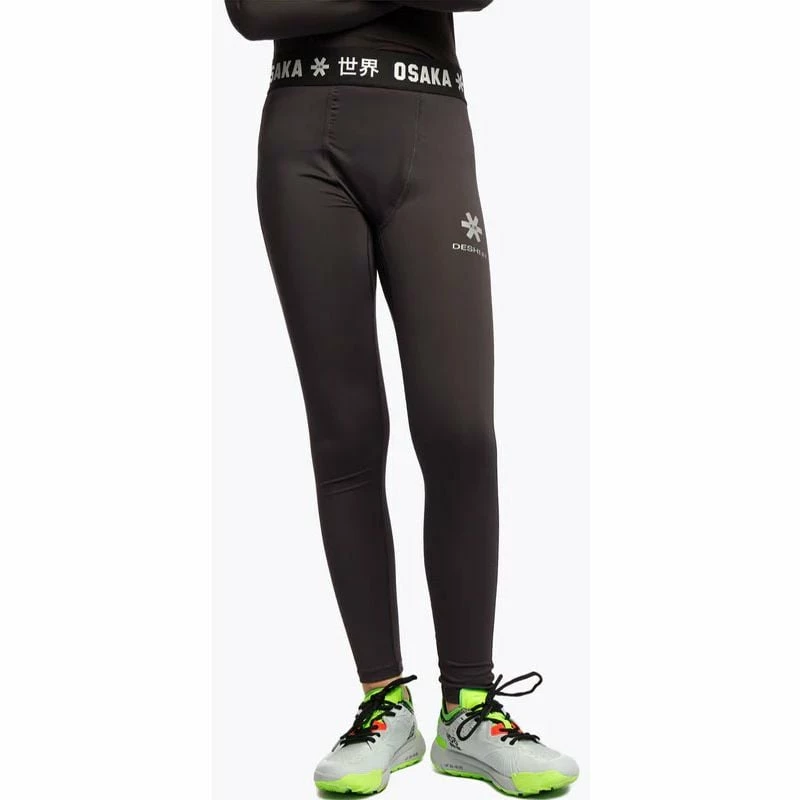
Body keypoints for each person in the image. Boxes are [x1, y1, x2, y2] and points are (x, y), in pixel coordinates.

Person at [224, 1, 579, 794]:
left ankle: (470, 712)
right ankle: (385, 704)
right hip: (302, 133)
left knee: (460, 429)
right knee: (346, 433)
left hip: (430, 122)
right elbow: (254, 10)